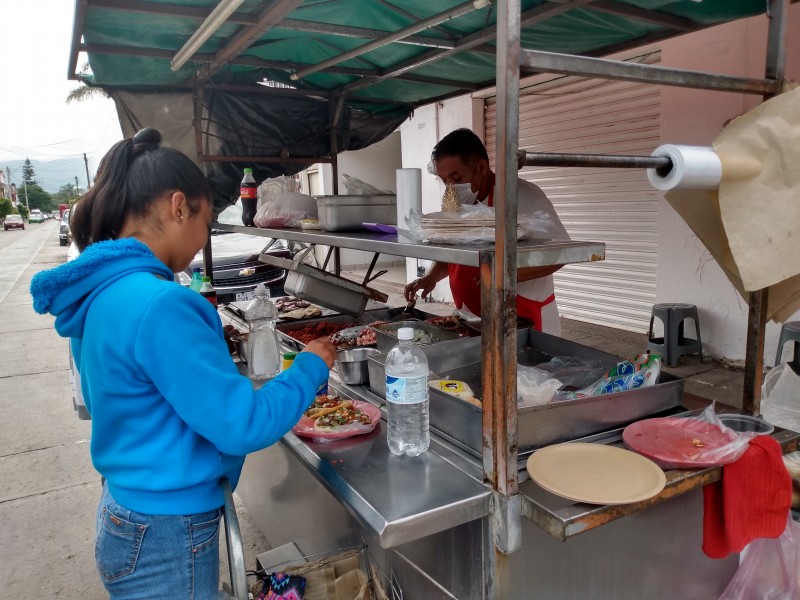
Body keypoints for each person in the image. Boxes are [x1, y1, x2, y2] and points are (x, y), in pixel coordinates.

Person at [30, 128, 336, 599]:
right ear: (178, 206)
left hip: (127, 512)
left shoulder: (100, 294)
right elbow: (242, 425)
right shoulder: (161, 304)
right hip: (166, 534)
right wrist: (310, 367)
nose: (202, 239)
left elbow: (112, 398)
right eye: (206, 222)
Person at [404, 128, 570, 335]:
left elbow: (559, 255)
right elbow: (451, 251)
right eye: (444, 180)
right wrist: (430, 277)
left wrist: (505, 276)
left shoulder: (522, 196)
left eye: (455, 177)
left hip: (523, 316)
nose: (450, 188)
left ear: (481, 167)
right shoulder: (458, 204)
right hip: (472, 315)